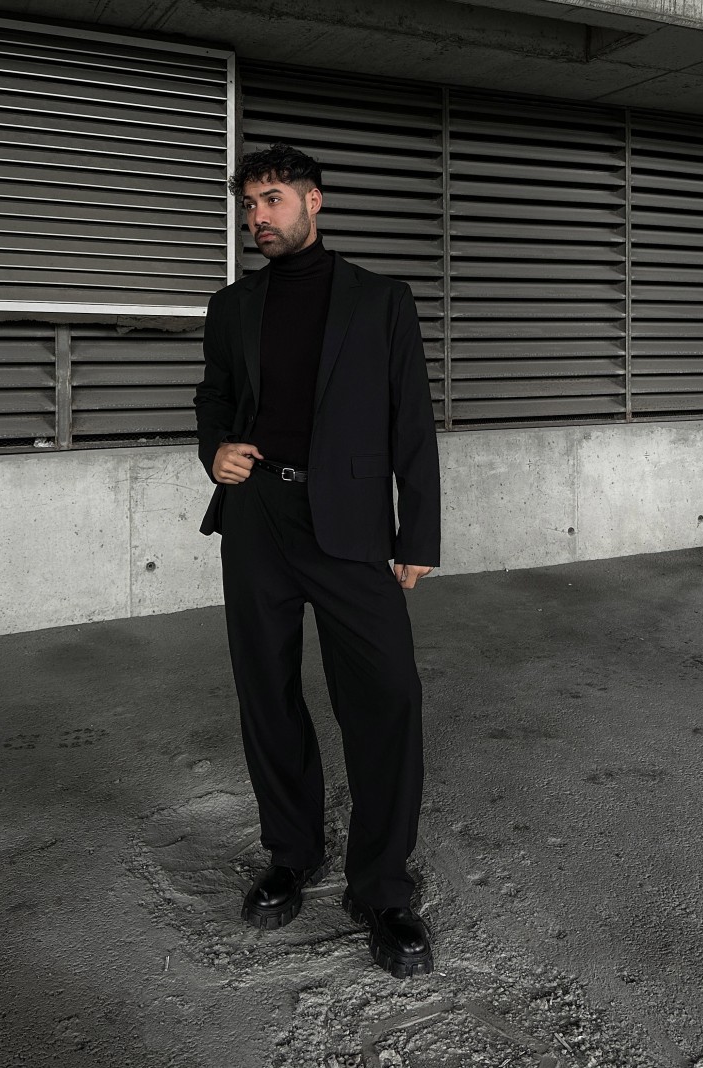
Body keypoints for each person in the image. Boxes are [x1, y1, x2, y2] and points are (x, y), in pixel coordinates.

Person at [193, 141, 441, 978]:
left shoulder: (380, 299)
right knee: (266, 691)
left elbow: (412, 418)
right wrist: (215, 449)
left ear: (313, 201)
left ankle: (383, 887)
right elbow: (215, 396)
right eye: (248, 205)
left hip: (351, 524)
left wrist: (418, 534)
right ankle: (291, 854)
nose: (257, 218)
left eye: (271, 200)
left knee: (387, 696)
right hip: (258, 517)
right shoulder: (232, 306)